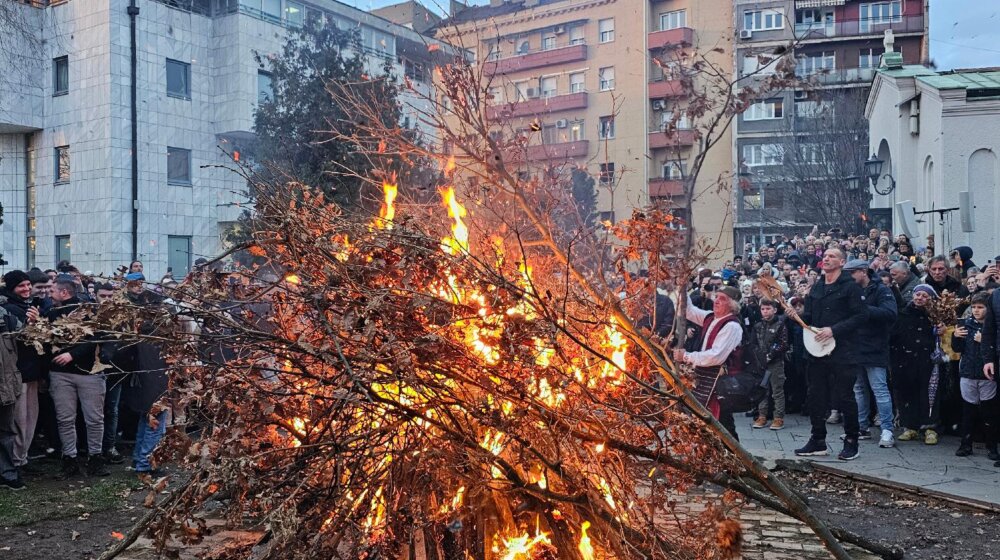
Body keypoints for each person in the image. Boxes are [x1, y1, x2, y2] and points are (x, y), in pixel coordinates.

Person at [789, 247, 868, 461]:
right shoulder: (817, 288)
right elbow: (812, 318)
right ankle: (818, 440)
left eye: (832, 256)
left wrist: (834, 330)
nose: (826, 258)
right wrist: (798, 315)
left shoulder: (851, 287)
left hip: (844, 351)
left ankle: (851, 441)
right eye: (825, 256)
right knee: (816, 395)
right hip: (817, 352)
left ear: (842, 262)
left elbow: (861, 317)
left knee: (845, 396)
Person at [46, 275, 110, 478]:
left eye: (52, 291)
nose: (50, 294)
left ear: (64, 292)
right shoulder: (50, 313)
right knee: (65, 419)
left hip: (89, 373)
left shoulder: (88, 311)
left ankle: (95, 459)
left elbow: (97, 337)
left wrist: (72, 354)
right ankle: (69, 460)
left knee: (94, 419)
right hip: (60, 374)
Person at [673, 286, 745, 440]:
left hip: (720, 382)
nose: (716, 301)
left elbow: (715, 357)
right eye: (716, 296)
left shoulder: (732, 326)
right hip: (705, 379)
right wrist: (682, 287)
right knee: (709, 422)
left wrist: (686, 356)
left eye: (722, 299)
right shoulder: (710, 318)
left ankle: (736, 458)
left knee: (723, 424)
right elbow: (689, 311)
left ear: (732, 305)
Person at [844, 260, 898, 448]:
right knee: (858, 390)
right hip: (855, 347)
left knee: (880, 390)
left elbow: (890, 313)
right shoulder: (851, 290)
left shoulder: (882, 290)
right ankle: (861, 427)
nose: (848, 278)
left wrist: (864, 310)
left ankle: (887, 430)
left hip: (875, 347)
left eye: (851, 273)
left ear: (863, 272)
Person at [0, 271, 46, 472]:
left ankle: (23, 458)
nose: (26, 289)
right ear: (12, 288)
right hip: (17, 373)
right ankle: (15, 461)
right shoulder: (7, 310)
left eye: (28, 284)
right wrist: (31, 325)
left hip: (33, 372)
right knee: (18, 421)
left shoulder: (30, 306)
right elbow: (16, 339)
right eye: (21, 286)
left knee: (30, 419)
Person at [891, 284, 941, 445]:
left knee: (929, 394)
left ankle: (930, 427)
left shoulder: (936, 316)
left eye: (924, 296)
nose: (920, 298)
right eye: (918, 294)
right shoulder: (903, 314)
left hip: (928, 360)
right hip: (905, 359)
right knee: (907, 392)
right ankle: (910, 426)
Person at [952, 292, 999, 458]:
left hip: (987, 374)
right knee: (968, 411)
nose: (976, 311)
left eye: (980, 307)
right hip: (968, 372)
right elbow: (958, 349)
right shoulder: (966, 325)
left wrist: (984, 341)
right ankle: (965, 444)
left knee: (989, 412)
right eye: (973, 307)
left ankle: (992, 447)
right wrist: (955, 337)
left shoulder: (992, 328)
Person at [750, 299, 789, 430]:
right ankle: (762, 416)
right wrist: (758, 357)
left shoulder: (780, 324)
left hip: (775, 362)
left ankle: (778, 418)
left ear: (774, 310)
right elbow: (753, 344)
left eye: (768, 309)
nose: (765, 311)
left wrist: (770, 355)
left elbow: (783, 344)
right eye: (763, 309)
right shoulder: (758, 326)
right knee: (762, 390)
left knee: (777, 391)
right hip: (761, 363)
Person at [0, 291, 24, 490]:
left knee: (6, 431)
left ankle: (7, 473)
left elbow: (26, 338)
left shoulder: (7, 317)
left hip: (5, 385)